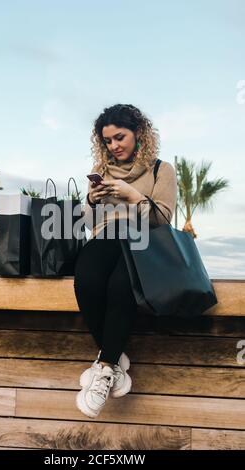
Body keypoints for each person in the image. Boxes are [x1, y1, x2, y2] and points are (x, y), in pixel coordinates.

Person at [74, 104, 177, 418]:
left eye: (120, 137)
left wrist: (133, 195)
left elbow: (163, 219)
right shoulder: (101, 168)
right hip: (107, 236)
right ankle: (115, 361)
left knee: (122, 286)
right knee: (87, 280)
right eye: (107, 141)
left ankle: (104, 369)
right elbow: (90, 221)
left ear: (139, 134)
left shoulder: (162, 169)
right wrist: (92, 198)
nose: (114, 146)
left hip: (144, 240)